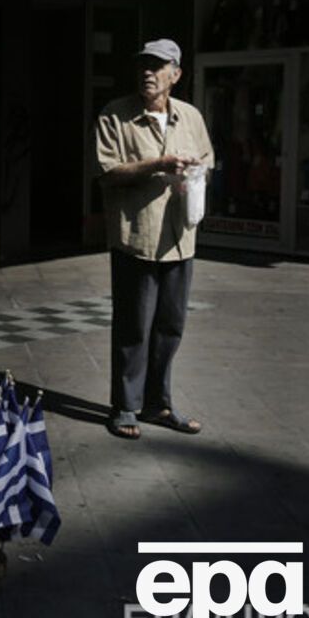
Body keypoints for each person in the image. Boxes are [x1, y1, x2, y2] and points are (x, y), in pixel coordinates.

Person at [94, 39, 215, 440]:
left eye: (158, 65)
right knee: (133, 327)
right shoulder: (116, 116)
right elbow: (109, 172)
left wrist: (193, 176)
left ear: (176, 74)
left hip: (181, 238)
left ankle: (158, 404)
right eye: (144, 64)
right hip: (137, 237)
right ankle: (124, 407)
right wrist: (159, 164)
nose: (148, 71)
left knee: (170, 326)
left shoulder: (191, 117)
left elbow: (208, 163)